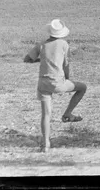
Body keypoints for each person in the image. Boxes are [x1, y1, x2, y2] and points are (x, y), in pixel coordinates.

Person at [24, 19, 87, 153]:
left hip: (43, 83)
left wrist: (42, 60)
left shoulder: (41, 45)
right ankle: (68, 114)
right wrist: (68, 79)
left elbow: (27, 59)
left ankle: (46, 143)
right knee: (82, 87)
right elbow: (66, 65)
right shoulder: (64, 44)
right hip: (58, 82)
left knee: (46, 114)